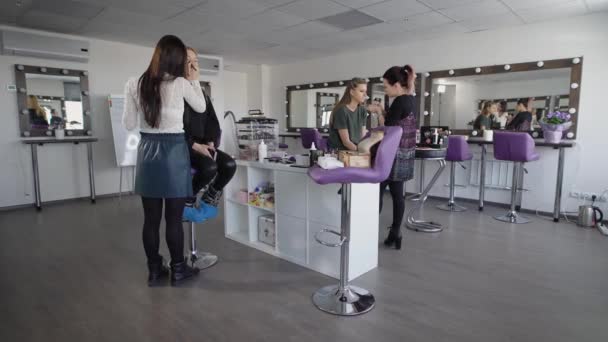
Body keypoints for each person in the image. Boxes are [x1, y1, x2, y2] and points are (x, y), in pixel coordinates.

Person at [122, 35, 207, 286]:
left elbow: (128, 124)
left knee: (150, 220)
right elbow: (201, 107)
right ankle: (178, 270)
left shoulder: (134, 83)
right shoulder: (180, 83)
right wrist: (195, 80)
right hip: (173, 154)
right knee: (173, 219)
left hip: (147, 152)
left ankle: (154, 270)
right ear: (177, 59)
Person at [182, 47, 236, 222]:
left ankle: (209, 197)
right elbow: (173, 126)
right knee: (209, 167)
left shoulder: (202, 95)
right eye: (187, 61)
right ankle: (186, 201)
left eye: (195, 61)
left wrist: (211, 142)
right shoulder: (175, 92)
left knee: (229, 164)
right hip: (183, 144)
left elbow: (212, 120)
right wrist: (194, 145)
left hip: (203, 143)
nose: (193, 66)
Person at [372, 65, 417, 250]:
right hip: (406, 153)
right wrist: (384, 110)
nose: (385, 89)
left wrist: (378, 112)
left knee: (377, 192)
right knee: (398, 195)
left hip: (392, 154)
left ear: (397, 84)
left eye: (386, 86)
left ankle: (368, 230)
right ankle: (395, 232)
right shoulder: (411, 99)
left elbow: (387, 129)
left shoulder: (399, 101)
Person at [327, 78, 369, 151]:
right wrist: (361, 153)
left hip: (355, 152)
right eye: (361, 91)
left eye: (365, 91)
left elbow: (363, 137)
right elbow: (346, 142)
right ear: (352, 92)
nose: (365, 95)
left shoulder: (362, 110)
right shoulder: (341, 111)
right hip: (340, 153)